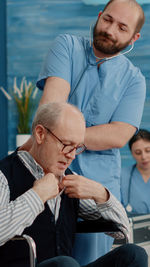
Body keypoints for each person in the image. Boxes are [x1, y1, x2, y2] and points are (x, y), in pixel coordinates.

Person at [35, 0, 146, 263]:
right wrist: (86, 134)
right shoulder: (67, 46)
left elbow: (119, 135)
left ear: (134, 36)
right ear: (99, 16)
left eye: (122, 27)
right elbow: (51, 108)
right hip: (48, 171)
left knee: (90, 260)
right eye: (107, 20)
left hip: (98, 185)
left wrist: (63, 134)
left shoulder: (134, 80)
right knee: (46, 255)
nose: (110, 30)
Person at [0, 102, 148, 267]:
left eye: (77, 148)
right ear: (41, 134)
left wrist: (100, 193)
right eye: (66, 145)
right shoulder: (4, 175)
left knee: (134, 255)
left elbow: (123, 229)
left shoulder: (69, 180)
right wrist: (37, 195)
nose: (71, 156)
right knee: (66, 264)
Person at [121, 129, 150, 215]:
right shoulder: (122, 176)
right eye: (138, 152)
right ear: (132, 154)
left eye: (148, 151)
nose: (143, 157)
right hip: (133, 226)